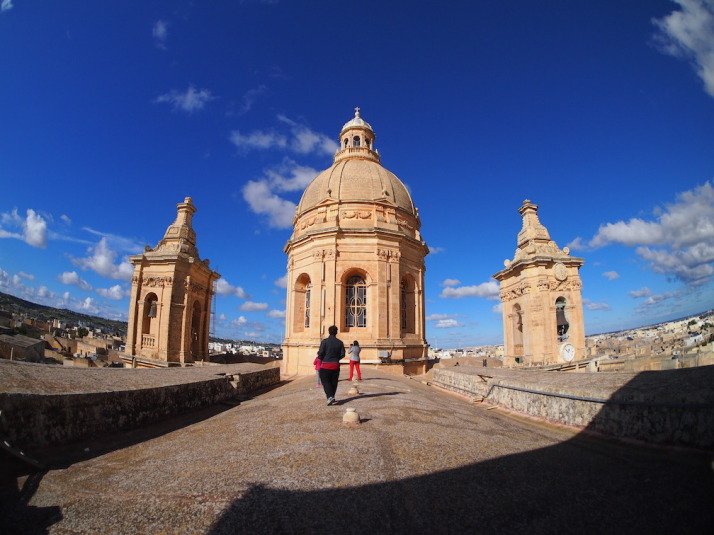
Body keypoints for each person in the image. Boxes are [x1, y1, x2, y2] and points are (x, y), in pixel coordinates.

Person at [316, 325, 345, 406]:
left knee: (325, 381)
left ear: (329, 332)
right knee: (334, 382)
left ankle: (330, 397)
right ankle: (332, 396)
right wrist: (336, 358)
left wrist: (320, 357)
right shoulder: (340, 342)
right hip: (336, 365)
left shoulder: (324, 342)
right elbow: (343, 354)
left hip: (326, 365)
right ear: (336, 332)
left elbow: (321, 353)